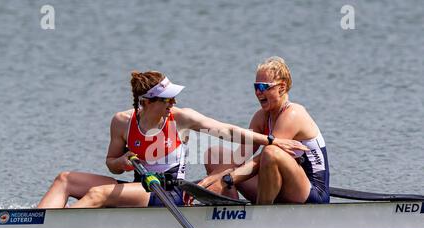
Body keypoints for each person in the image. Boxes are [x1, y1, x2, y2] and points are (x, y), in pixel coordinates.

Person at [37, 70, 307, 208]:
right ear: (146, 102)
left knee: (98, 193)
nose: (173, 103)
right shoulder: (121, 121)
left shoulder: (181, 118)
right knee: (65, 178)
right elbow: (111, 163)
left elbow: (227, 130)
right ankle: (33, 224)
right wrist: (122, 161)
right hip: (139, 187)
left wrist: (270, 141)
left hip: (169, 193)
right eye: (166, 99)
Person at [198, 56, 330, 204]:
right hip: (276, 186)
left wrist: (227, 179)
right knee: (215, 153)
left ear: (282, 88)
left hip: (311, 192)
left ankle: (262, 215)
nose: (258, 93)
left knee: (270, 152)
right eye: (256, 87)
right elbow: (239, 158)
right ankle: (228, 211)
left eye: (263, 87)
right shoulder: (261, 117)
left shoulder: (293, 114)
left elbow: (261, 161)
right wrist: (206, 182)